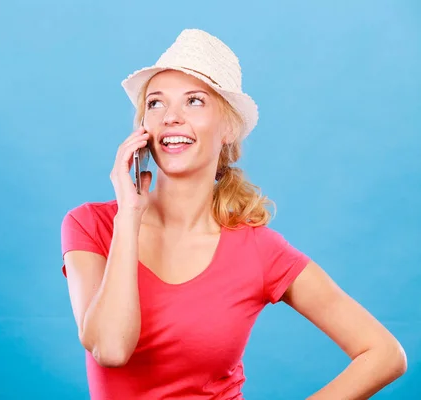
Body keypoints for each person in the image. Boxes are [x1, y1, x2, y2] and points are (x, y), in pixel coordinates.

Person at [59, 29, 407, 400]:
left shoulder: (259, 249)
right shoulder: (90, 226)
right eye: (156, 104)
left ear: (227, 128)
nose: (171, 117)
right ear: (143, 128)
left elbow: (385, 354)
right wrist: (129, 215)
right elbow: (111, 350)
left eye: (194, 101)